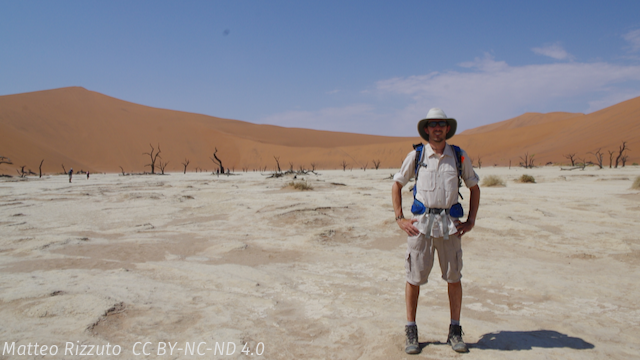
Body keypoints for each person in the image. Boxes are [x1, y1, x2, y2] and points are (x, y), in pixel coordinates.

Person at [391, 108, 480, 354]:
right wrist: (400, 218)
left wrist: (471, 220)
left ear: (447, 128)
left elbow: (474, 187)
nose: (437, 128)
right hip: (420, 227)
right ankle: (411, 330)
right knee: (414, 278)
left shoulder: (459, 156)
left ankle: (455, 330)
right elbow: (397, 184)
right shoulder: (417, 155)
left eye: (441, 124)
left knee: (454, 278)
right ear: (427, 129)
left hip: (450, 227)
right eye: (433, 124)